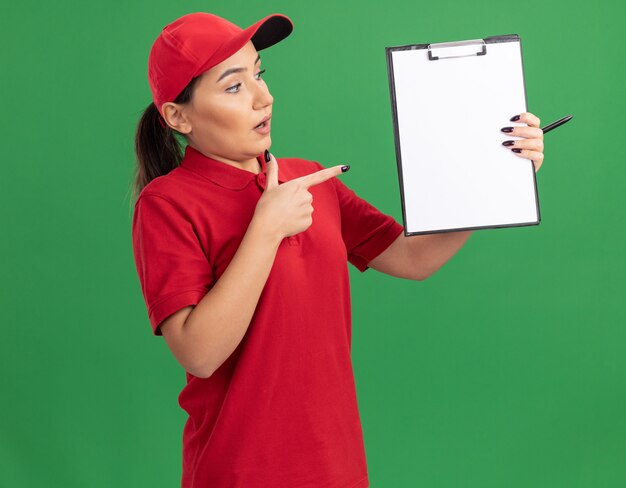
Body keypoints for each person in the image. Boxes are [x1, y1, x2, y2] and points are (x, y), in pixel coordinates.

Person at [131, 11, 546, 488]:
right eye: (233, 87)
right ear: (177, 115)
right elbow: (199, 354)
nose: (264, 98)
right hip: (239, 472)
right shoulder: (166, 204)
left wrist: (496, 176)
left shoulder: (310, 179)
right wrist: (265, 230)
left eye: (259, 74)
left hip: (336, 467)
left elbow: (415, 258)